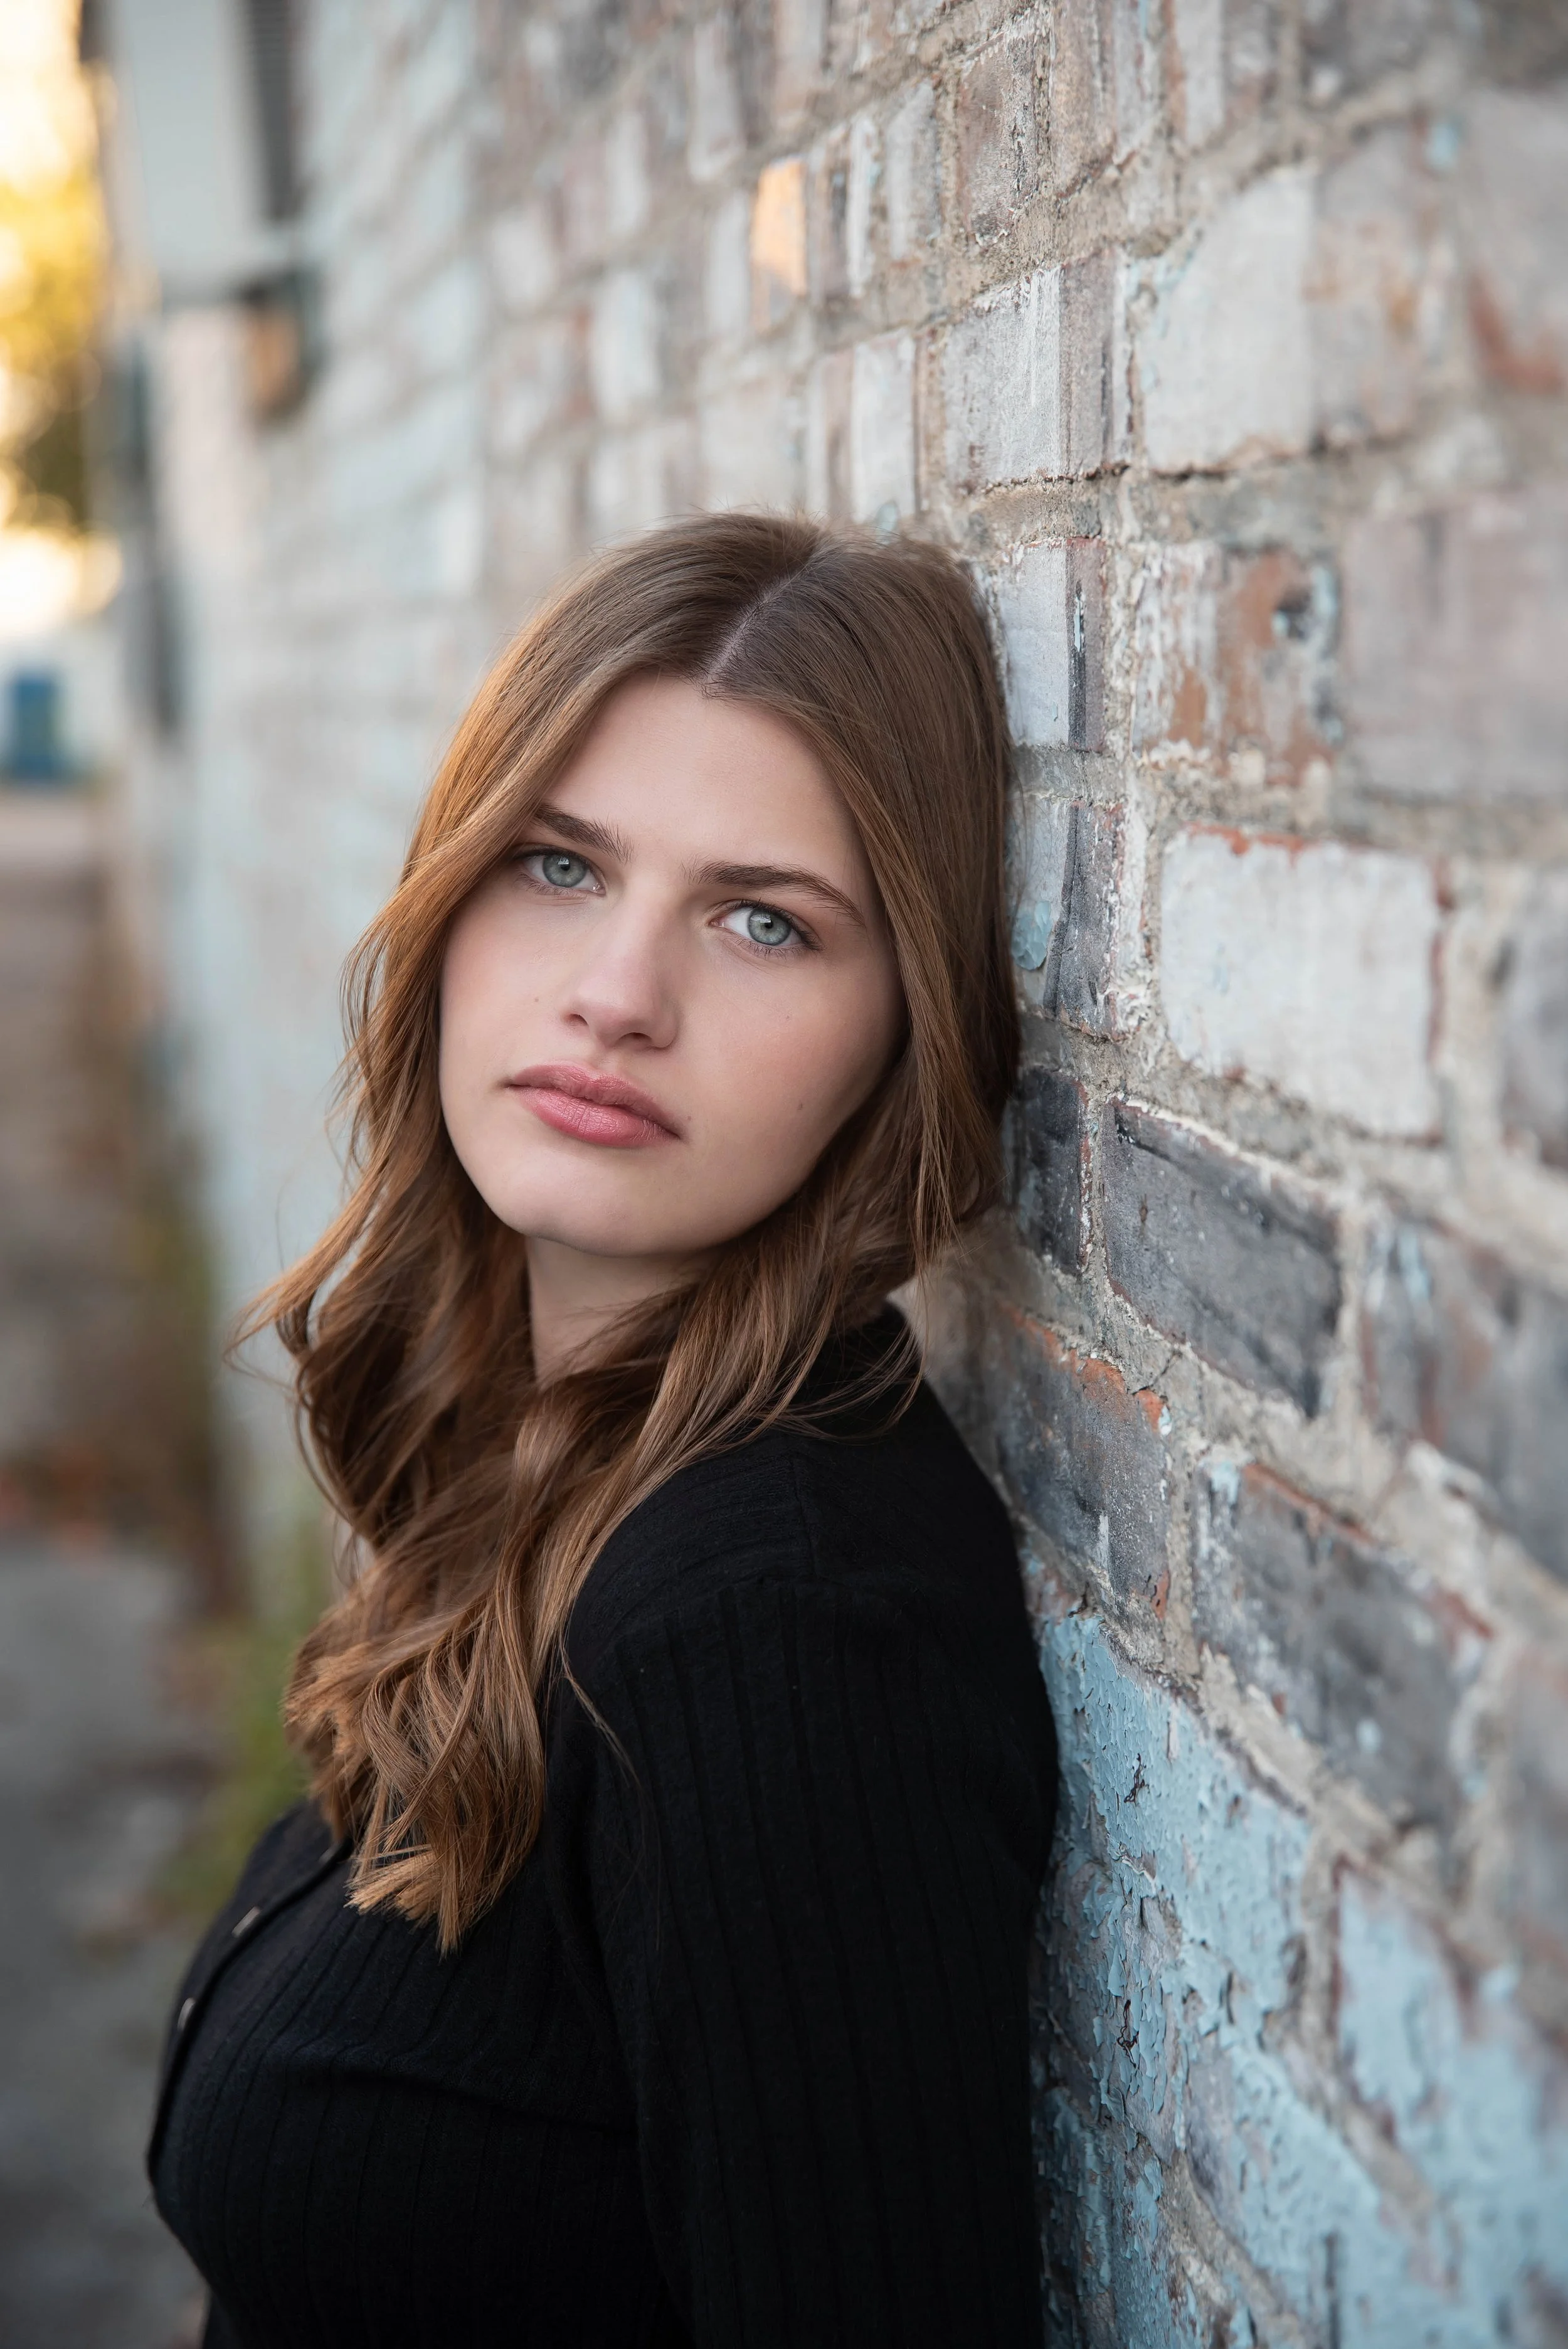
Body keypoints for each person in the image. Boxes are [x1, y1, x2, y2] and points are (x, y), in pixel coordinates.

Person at [149, 512, 1058, 2348]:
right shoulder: (544, 1458)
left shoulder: (769, 1633)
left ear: (908, 1031)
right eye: (558, 868)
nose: (617, 997)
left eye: (760, 921)